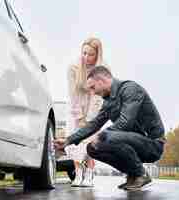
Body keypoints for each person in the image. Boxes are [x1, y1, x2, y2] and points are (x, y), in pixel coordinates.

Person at [54, 66, 166, 190]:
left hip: (152, 144)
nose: (93, 92)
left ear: (101, 81)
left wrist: (103, 134)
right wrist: (68, 141)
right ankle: (133, 173)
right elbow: (94, 124)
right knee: (92, 148)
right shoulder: (108, 102)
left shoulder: (131, 90)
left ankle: (141, 174)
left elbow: (126, 122)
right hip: (130, 142)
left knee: (107, 137)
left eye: (93, 87)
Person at [64, 37, 105, 187]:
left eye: (90, 54)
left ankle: (89, 173)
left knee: (89, 142)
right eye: (84, 53)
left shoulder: (103, 70)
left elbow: (100, 97)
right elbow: (72, 94)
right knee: (75, 142)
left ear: (97, 55)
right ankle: (78, 172)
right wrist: (80, 117)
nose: (86, 57)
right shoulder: (73, 68)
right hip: (76, 109)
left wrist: (90, 120)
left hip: (94, 110)